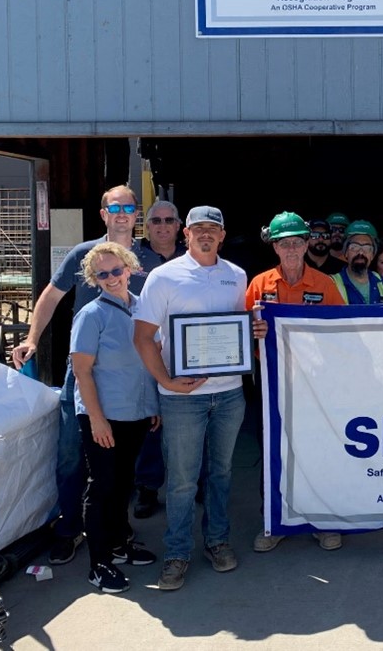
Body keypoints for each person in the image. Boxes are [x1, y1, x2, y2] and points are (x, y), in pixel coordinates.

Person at [11, 184, 161, 566]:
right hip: (86, 374)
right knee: (71, 454)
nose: (123, 213)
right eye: (115, 207)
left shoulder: (149, 260)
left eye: (130, 207)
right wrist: (31, 338)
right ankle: (69, 529)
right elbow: (52, 294)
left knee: (122, 464)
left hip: (132, 381)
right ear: (103, 214)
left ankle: (116, 533)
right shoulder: (84, 255)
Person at [133, 205, 267, 591]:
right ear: (185, 235)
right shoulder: (163, 277)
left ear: (222, 236)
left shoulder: (237, 276)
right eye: (198, 229)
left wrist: (254, 329)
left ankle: (217, 541)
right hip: (182, 399)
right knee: (180, 481)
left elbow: (240, 329)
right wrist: (166, 382)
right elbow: (142, 337)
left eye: (213, 229)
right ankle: (177, 554)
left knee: (221, 475)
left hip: (228, 394)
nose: (205, 234)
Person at [246, 211, 345, 554]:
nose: (291, 249)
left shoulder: (325, 285)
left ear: (306, 245)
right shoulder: (259, 285)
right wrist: (251, 332)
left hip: (313, 387)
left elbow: (341, 336)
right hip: (271, 384)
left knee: (315, 452)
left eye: (297, 243)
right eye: (284, 243)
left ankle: (321, 522)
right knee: (273, 451)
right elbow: (238, 334)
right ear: (274, 247)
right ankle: (273, 523)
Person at [70, 242, 160, 593]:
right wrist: (96, 419)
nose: (111, 278)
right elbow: (82, 371)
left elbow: (149, 362)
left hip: (135, 413)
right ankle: (99, 562)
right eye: (102, 274)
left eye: (116, 270)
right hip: (104, 416)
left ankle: (120, 543)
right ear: (94, 278)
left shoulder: (142, 309)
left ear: (130, 268)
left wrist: (152, 404)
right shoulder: (91, 316)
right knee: (103, 486)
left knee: (123, 482)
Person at [133, 199, 187, 520]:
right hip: (144, 353)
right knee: (150, 422)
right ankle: (147, 487)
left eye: (169, 220)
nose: (163, 226)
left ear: (179, 226)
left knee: (193, 420)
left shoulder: (193, 257)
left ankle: (199, 484)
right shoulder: (131, 258)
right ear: (147, 226)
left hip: (185, 352)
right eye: (156, 221)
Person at [331, 221, 383, 304]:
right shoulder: (332, 283)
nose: (361, 253)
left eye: (367, 248)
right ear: (346, 252)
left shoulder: (380, 281)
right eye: (354, 247)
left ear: (372, 255)